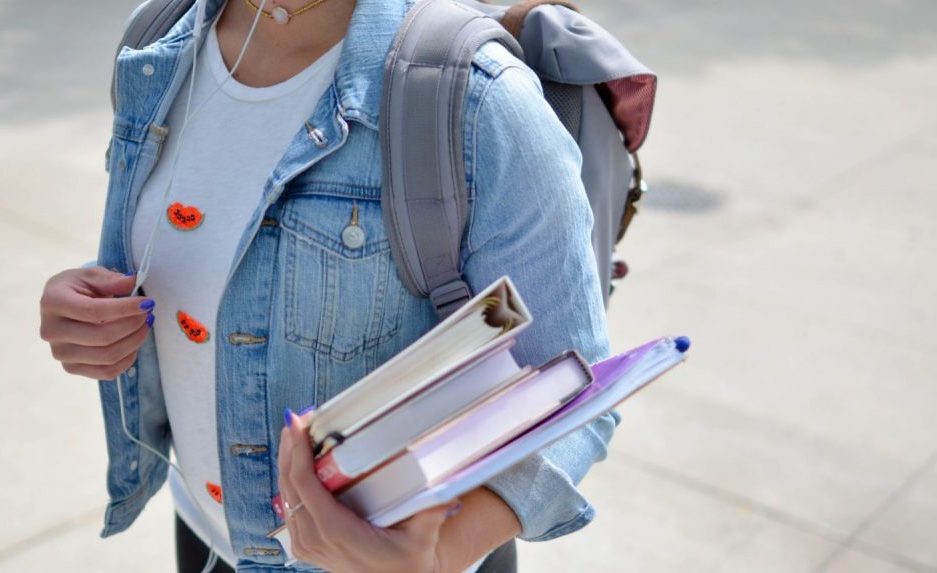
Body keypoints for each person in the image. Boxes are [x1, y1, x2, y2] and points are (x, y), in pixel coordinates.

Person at [38, 0, 618, 570]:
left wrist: (441, 555)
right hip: (204, 533)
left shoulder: (477, 98)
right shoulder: (159, 41)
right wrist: (88, 316)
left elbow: (572, 386)